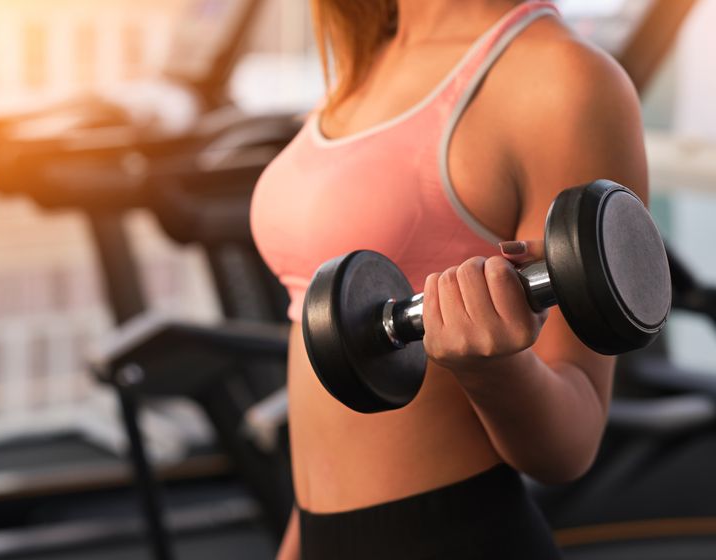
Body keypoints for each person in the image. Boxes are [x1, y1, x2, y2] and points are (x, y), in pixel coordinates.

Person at [250, 0, 647, 557]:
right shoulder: (374, 55)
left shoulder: (559, 78)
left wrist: (491, 371)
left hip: (447, 534)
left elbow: (569, 445)